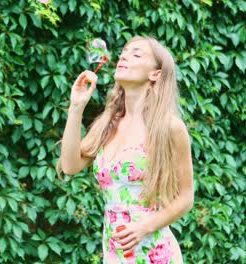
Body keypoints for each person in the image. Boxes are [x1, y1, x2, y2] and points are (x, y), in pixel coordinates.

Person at [57, 36, 194, 264]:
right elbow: (70, 166)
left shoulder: (169, 127)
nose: (123, 56)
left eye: (136, 54)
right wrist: (76, 107)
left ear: (155, 74)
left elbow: (186, 198)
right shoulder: (108, 124)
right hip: (115, 254)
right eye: (124, 53)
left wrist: (143, 227)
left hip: (155, 254)